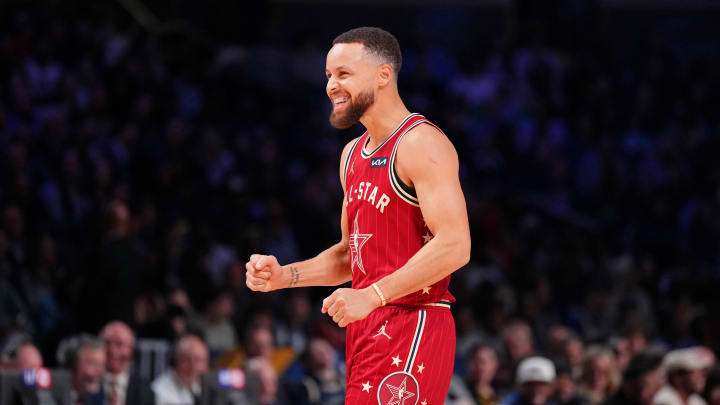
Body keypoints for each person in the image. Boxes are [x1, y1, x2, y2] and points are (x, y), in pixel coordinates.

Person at [246, 26, 471, 402]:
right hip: (366, 328)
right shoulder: (351, 154)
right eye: (329, 76)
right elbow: (353, 254)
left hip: (413, 321)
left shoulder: (421, 142)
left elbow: (456, 245)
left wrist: (373, 295)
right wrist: (284, 276)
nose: (331, 85)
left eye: (343, 74)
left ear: (383, 75)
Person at [99, 321, 155, 405]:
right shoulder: (87, 384)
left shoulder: (145, 389)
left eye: (119, 344)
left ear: (131, 349)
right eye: (107, 343)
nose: (112, 350)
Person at [151, 335, 208, 405]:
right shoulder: (161, 390)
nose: (193, 367)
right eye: (187, 360)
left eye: (199, 360)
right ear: (175, 361)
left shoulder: (200, 385)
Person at [68, 335, 107, 405]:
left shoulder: (102, 398)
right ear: (73, 365)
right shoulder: (51, 393)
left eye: (102, 365)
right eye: (92, 364)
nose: (100, 371)